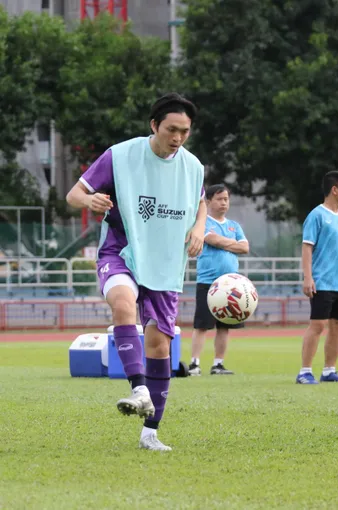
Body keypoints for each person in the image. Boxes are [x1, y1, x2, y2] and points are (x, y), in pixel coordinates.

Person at [66, 93, 206, 451]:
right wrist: (91, 200)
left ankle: (150, 434)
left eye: (185, 131)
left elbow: (201, 201)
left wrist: (199, 228)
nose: (177, 137)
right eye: (171, 129)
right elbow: (73, 195)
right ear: (154, 126)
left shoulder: (192, 167)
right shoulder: (121, 155)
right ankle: (138, 388)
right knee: (123, 305)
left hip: (165, 261)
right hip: (121, 251)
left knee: (160, 345)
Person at [296, 171, 338, 384]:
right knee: (317, 325)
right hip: (323, 281)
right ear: (334, 190)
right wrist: (308, 277)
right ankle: (305, 371)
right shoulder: (316, 215)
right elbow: (307, 248)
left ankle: (329, 371)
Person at [189, 184, 249, 376]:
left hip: (231, 284)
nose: (224, 203)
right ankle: (194, 364)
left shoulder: (234, 226)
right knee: (202, 325)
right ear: (208, 202)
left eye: (226, 199)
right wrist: (232, 244)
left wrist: (223, 242)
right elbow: (212, 240)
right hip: (209, 282)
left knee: (225, 326)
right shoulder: (203, 222)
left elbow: (245, 248)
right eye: (219, 199)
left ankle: (218, 364)